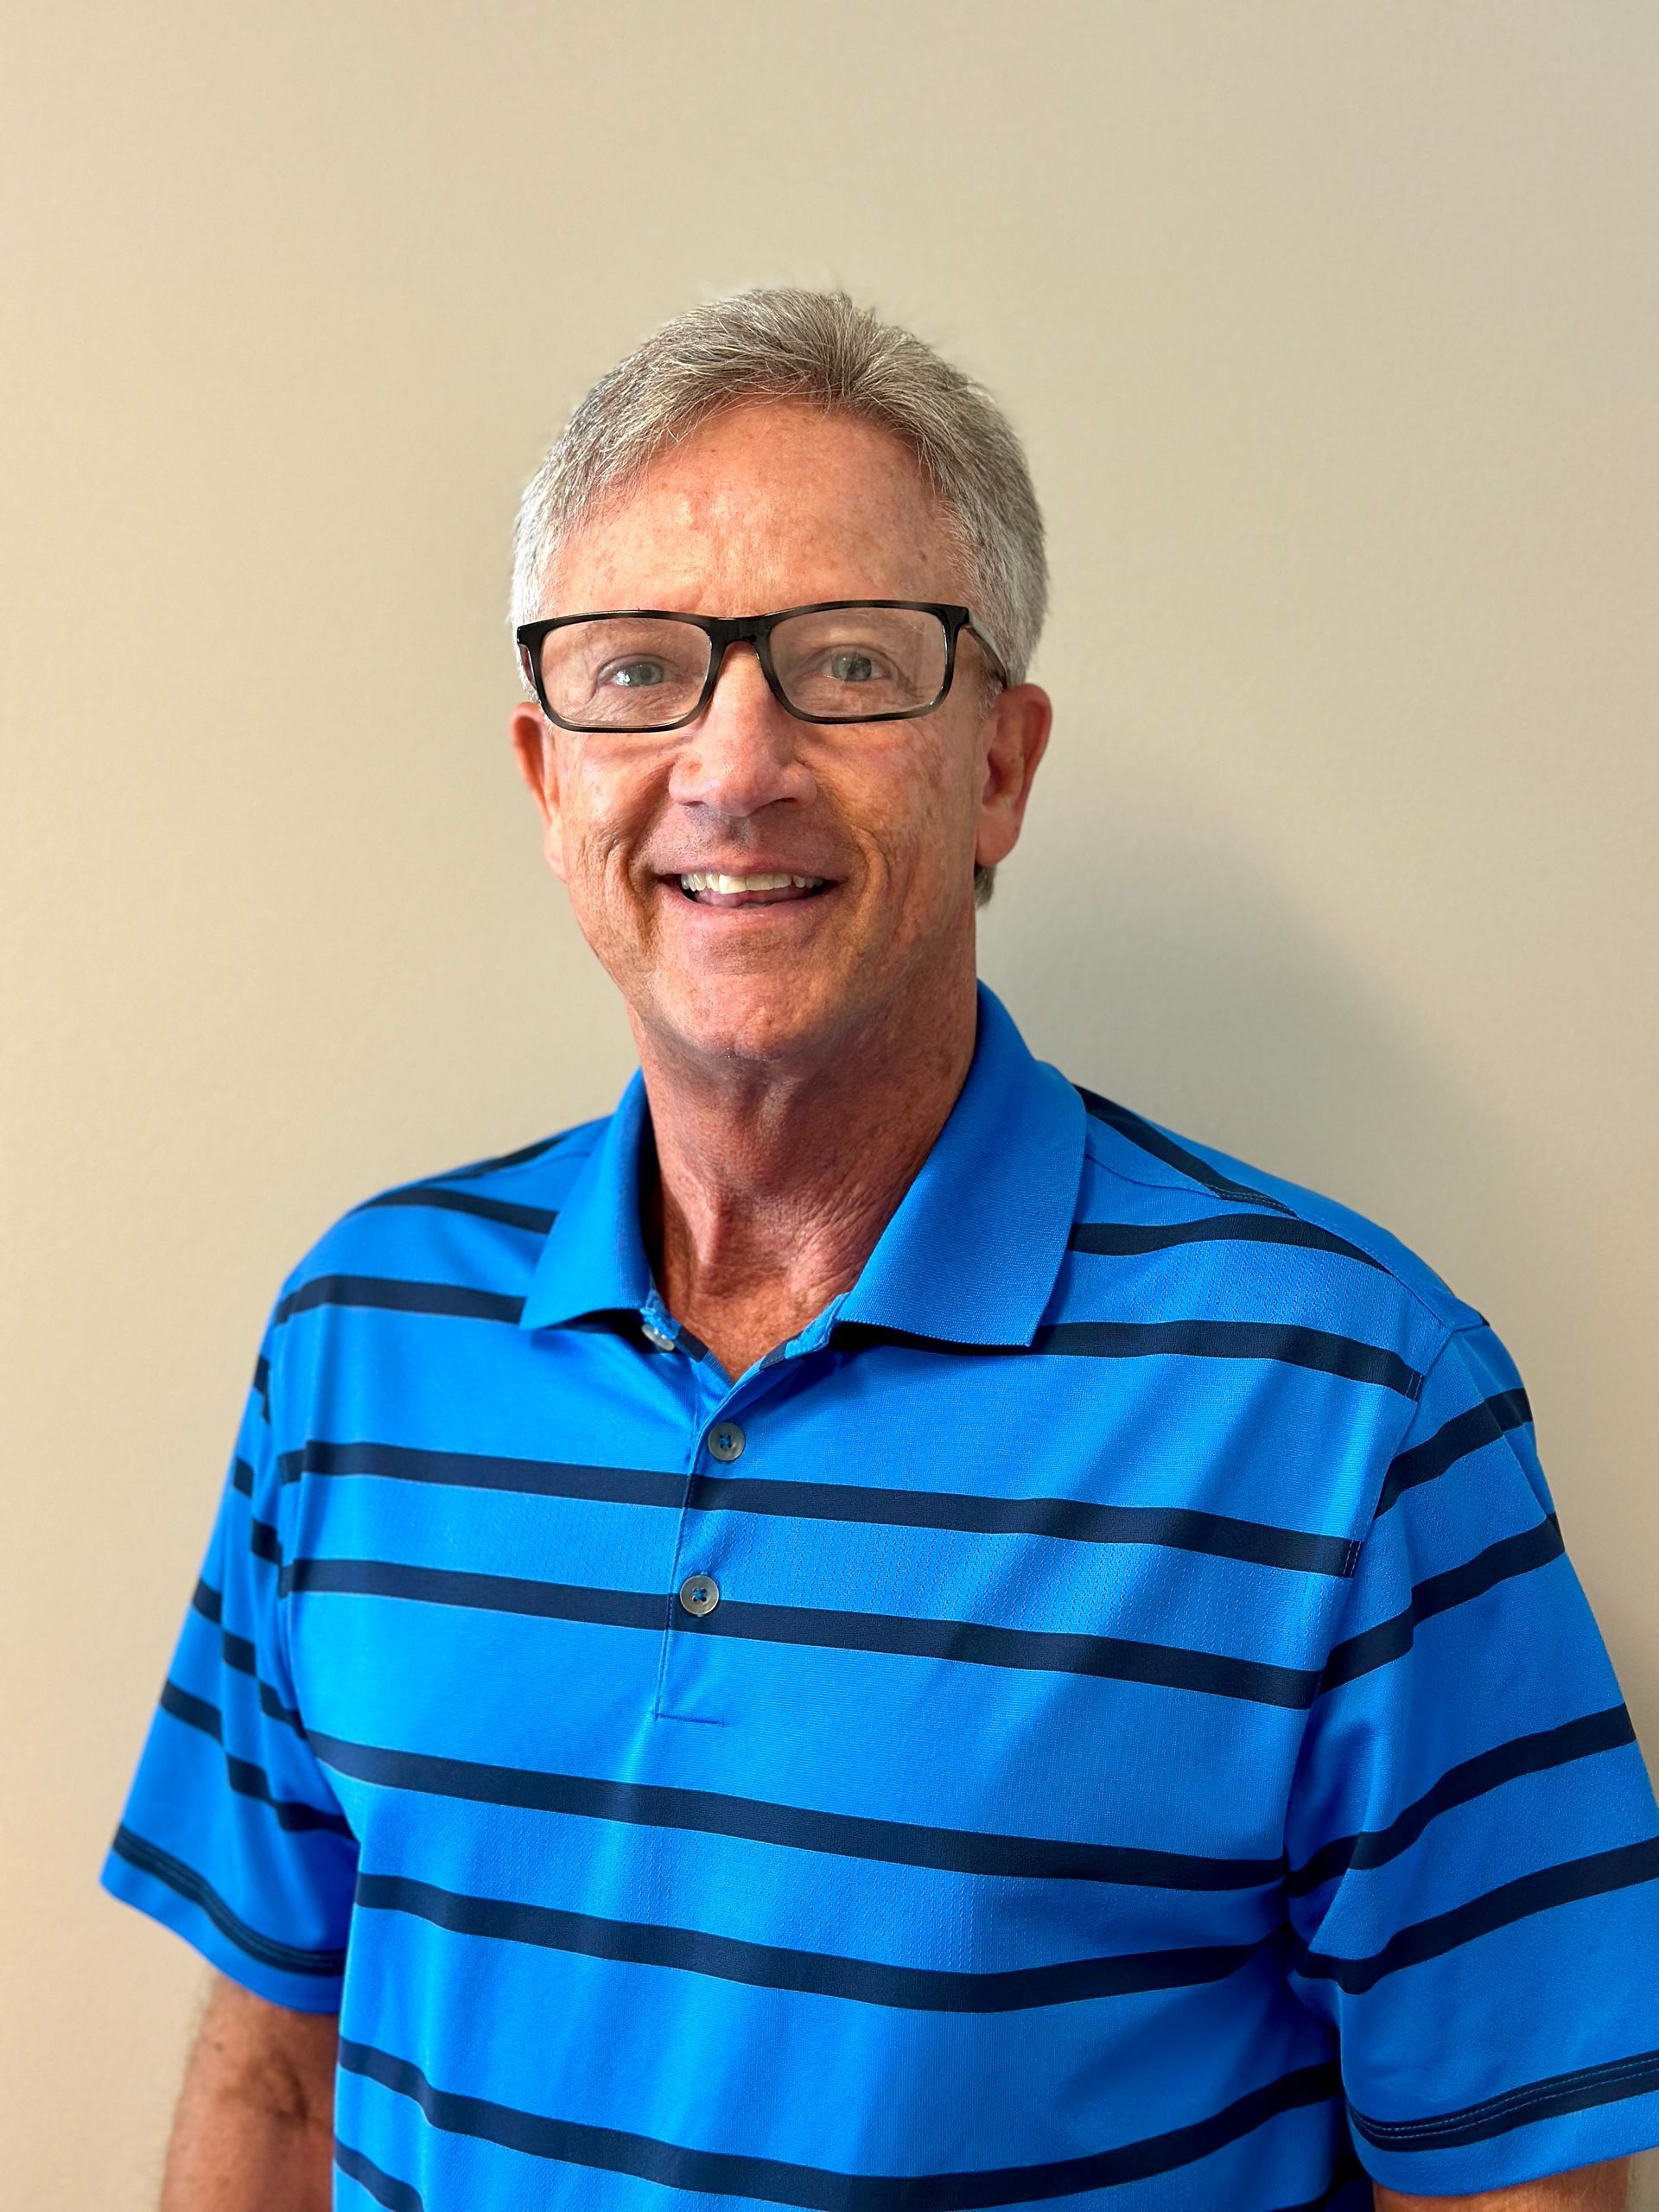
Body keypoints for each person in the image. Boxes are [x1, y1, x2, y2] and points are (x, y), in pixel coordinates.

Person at [104, 287, 1659, 2212]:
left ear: (999, 763)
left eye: (845, 665)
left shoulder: (1351, 1408)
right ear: (547, 775)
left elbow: (1513, 2183)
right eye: (639, 670)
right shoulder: (360, 1338)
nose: (732, 762)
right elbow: (273, 2067)